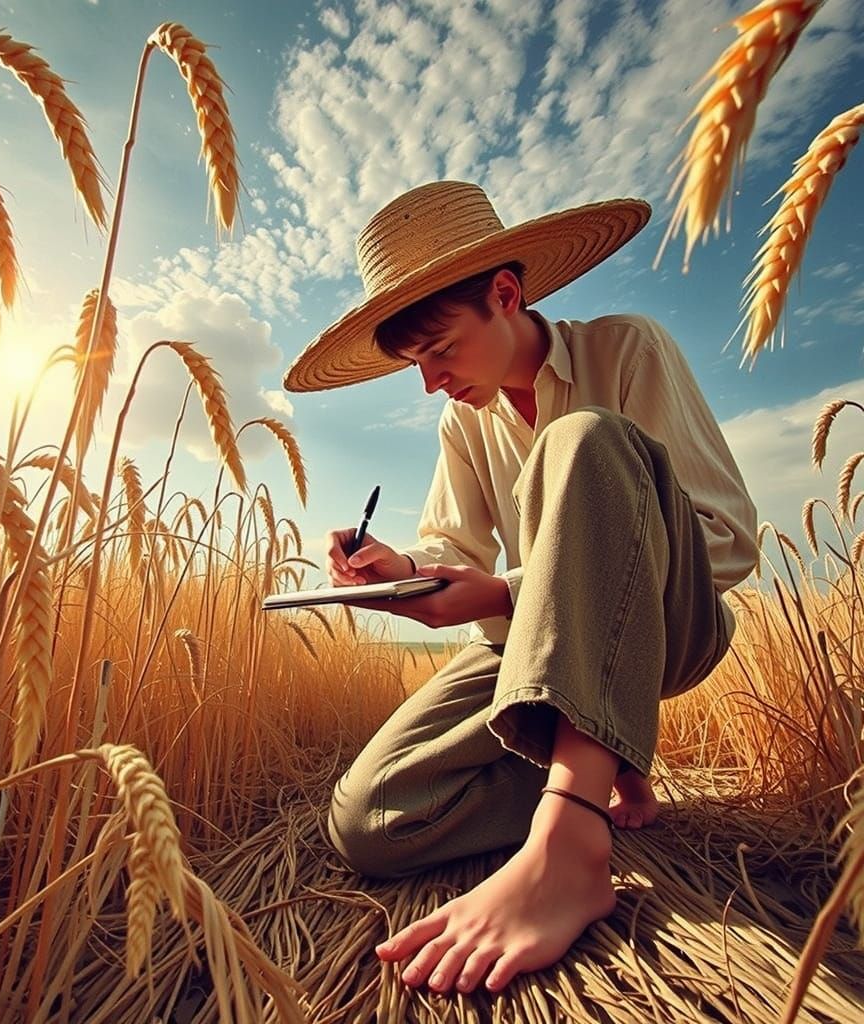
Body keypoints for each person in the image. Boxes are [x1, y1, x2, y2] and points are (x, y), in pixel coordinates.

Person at [281, 181, 757, 997]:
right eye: (413, 364)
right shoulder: (461, 422)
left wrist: (507, 594)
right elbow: (452, 549)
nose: (429, 382)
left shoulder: (627, 350)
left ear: (506, 295)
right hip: (531, 649)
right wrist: (397, 572)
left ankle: (569, 846)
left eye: (440, 350)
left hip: (671, 631)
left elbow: (728, 541)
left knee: (586, 441)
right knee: (370, 822)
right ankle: (604, 753)